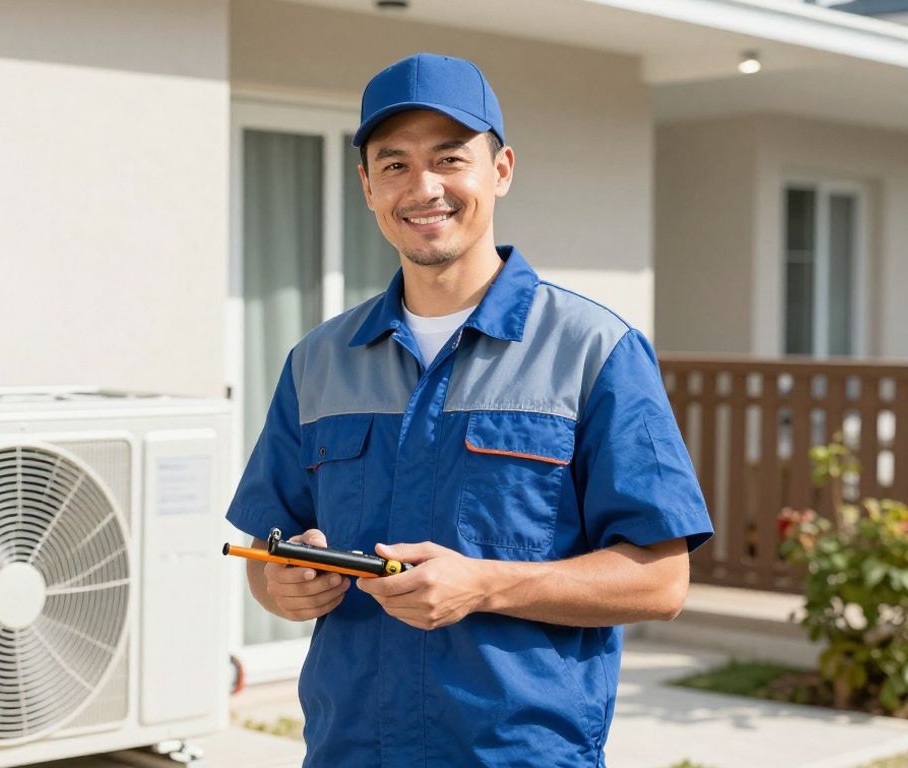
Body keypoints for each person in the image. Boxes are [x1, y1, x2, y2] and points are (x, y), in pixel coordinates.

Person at [225, 53, 714, 767]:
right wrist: (283, 586)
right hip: (348, 751)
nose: (424, 188)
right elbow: (266, 556)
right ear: (366, 186)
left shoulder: (594, 350)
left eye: (450, 158)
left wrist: (484, 584)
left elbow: (661, 581)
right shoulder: (318, 360)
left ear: (502, 170)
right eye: (394, 165)